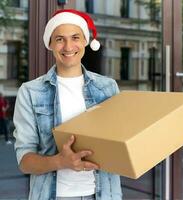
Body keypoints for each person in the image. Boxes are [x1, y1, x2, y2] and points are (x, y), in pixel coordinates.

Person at [13, 9, 122, 200]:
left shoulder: (108, 88)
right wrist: (60, 161)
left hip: (104, 194)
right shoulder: (30, 92)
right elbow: (25, 161)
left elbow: (122, 141)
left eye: (75, 37)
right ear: (50, 44)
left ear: (85, 42)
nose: (68, 46)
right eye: (60, 39)